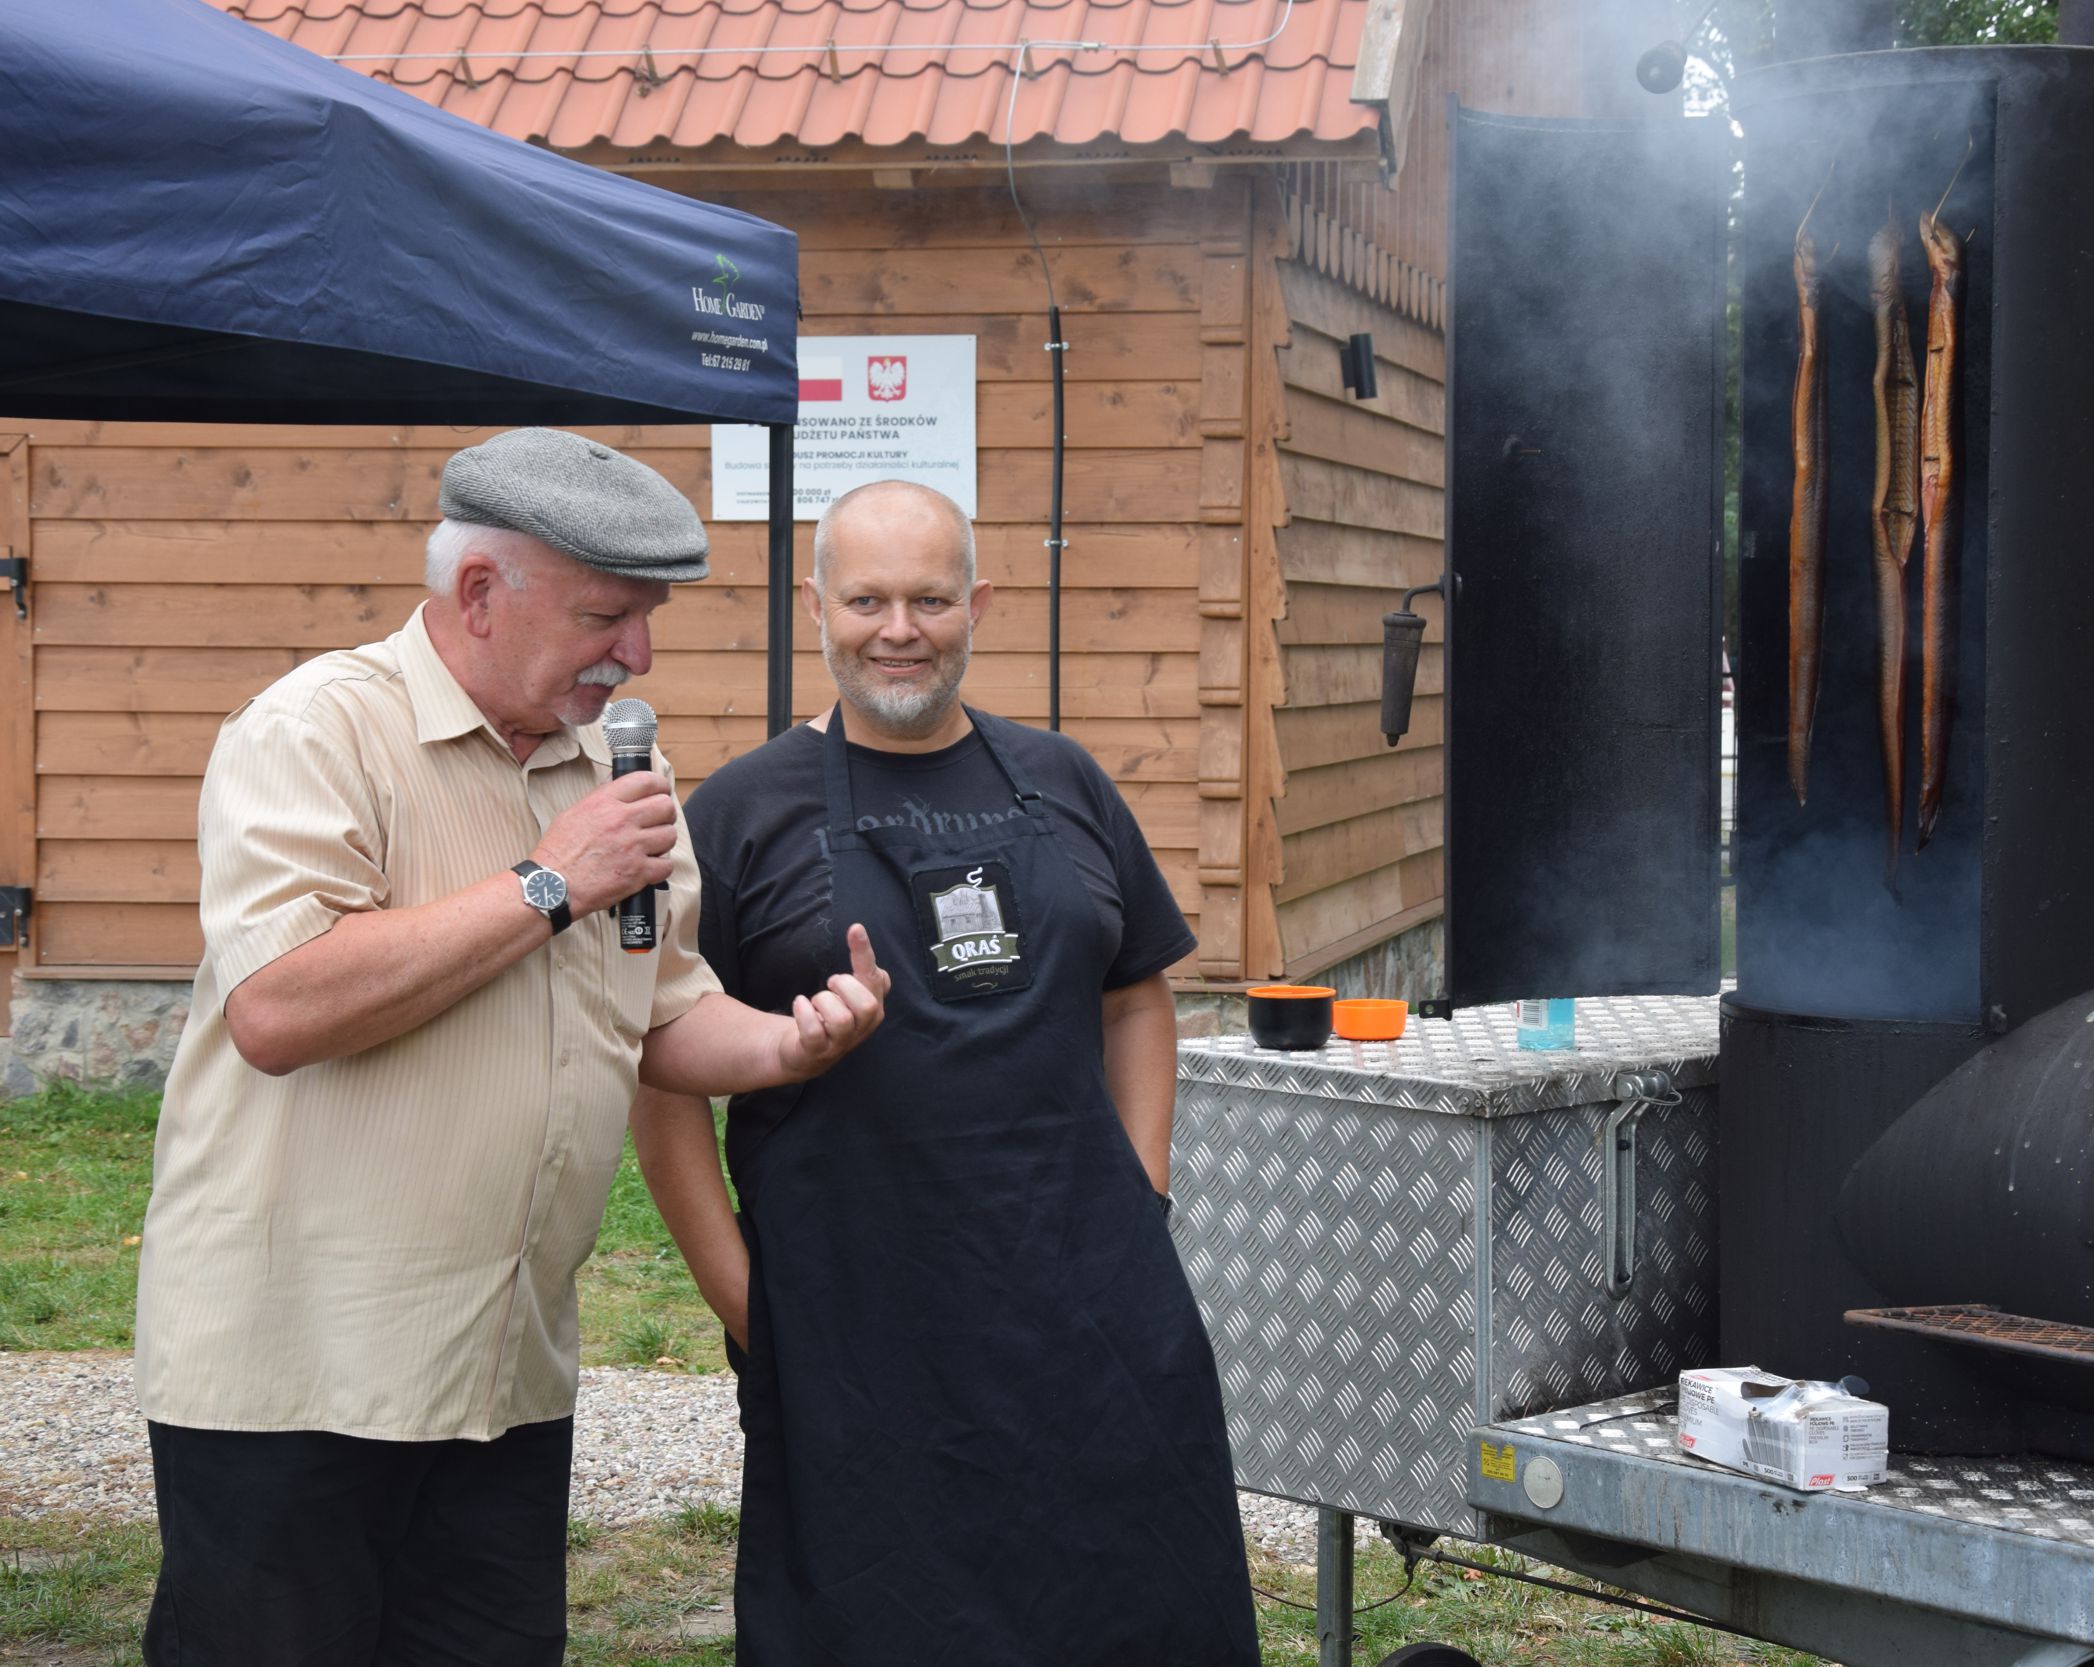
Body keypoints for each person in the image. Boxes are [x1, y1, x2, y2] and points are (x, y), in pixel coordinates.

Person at [134, 428, 890, 1667]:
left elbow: (662, 1012)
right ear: (480, 592)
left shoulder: (611, 769)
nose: (635, 655)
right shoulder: (314, 730)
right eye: (606, 615)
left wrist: (792, 1043)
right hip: (298, 1374)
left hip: (503, 1371)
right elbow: (279, 1006)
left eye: (645, 620)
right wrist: (552, 878)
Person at [631, 480, 1258, 1663]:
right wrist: (743, 1300)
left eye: (929, 597)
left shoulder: (1063, 777)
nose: (898, 627)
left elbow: (1135, 991)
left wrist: (1143, 1184)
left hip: (1089, 1299)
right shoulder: (743, 811)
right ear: (817, 605)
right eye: (866, 598)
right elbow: (661, 1074)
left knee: (1137, 1597)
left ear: (980, 603)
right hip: (852, 1316)